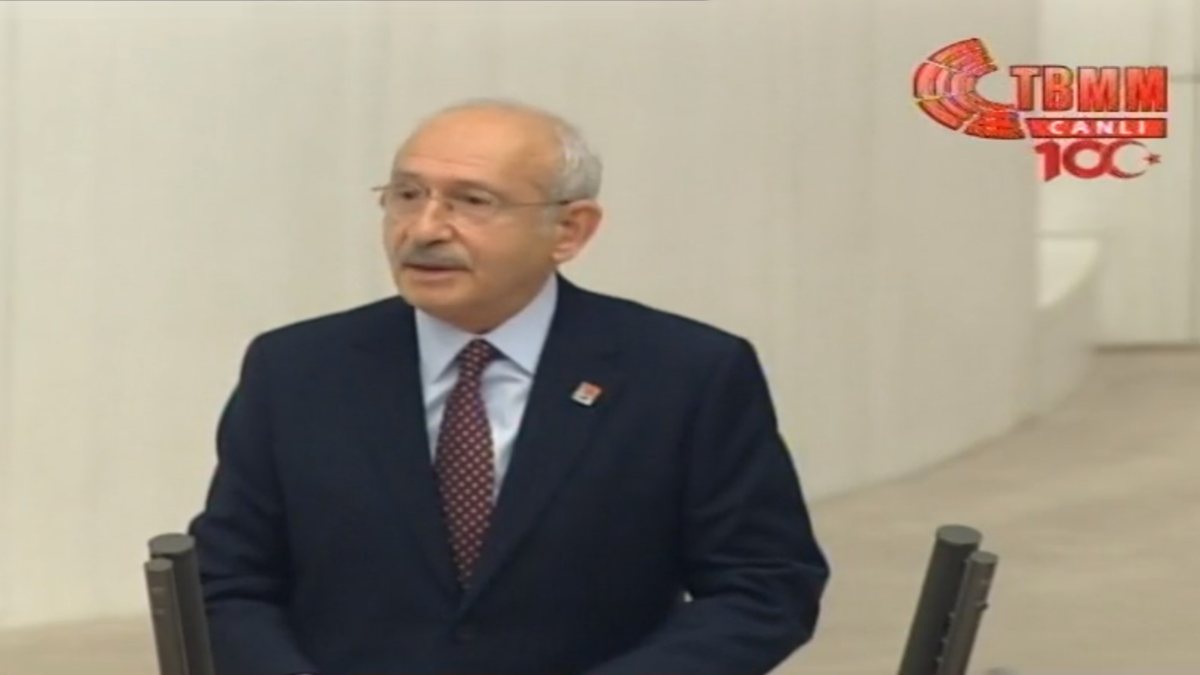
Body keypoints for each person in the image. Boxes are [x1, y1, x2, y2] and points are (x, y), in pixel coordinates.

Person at [189, 99, 829, 675]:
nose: (424, 229)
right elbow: (226, 581)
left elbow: (763, 585)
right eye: (407, 195)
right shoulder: (298, 369)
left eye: (472, 201)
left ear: (570, 230)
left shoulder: (684, 372)